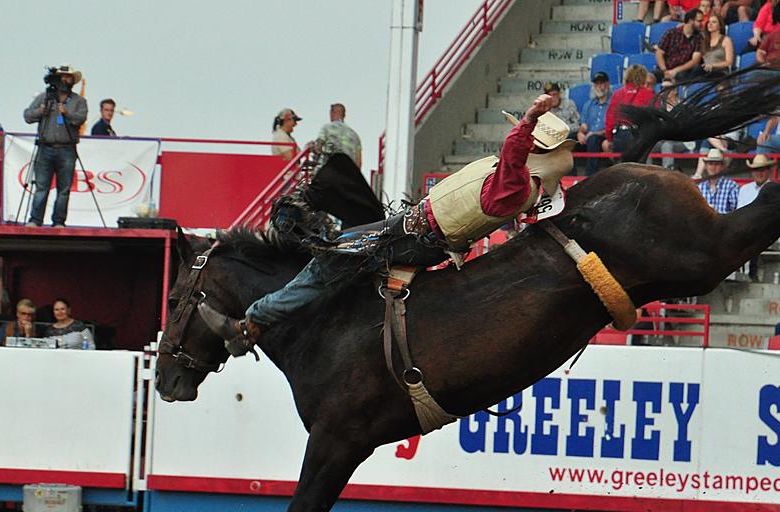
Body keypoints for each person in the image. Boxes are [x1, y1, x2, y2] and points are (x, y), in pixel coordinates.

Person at [202, 96, 576, 356]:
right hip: (414, 227)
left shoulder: (515, 185)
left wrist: (527, 122)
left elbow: (511, 156)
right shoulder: (523, 185)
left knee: (328, 263)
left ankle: (250, 325)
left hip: (418, 235)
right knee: (336, 252)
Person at [22, 65, 88, 228]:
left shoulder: (79, 101)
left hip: (67, 149)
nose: (65, 80)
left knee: (64, 189)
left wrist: (66, 113)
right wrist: (41, 111)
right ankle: (35, 220)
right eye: (63, 77)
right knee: (41, 187)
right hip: (45, 147)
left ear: (73, 81)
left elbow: (80, 119)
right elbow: (27, 115)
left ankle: (59, 221)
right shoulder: (45, 97)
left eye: (69, 77)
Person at [603, 65, 656, 158]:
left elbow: (610, 119)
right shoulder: (648, 94)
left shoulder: (618, 94)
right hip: (639, 137)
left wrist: (610, 139)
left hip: (620, 137)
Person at [654, 9, 704, 85]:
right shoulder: (671, 33)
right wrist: (664, 70)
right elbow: (659, 52)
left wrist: (675, 70)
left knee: (681, 77)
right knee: (650, 76)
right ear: (691, 21)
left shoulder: (699, 38)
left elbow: (695, 61)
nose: (701, 24)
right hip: (665, 69)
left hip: (682, 71)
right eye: (699, 21)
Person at [577, 72, 612, 175]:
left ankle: (590, 174)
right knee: (570, 138)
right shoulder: (589, 104)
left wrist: (595, 133)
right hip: (589, 135)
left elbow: (613, 127)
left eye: (602, 83)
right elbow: (583, 125)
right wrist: (580, 133)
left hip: (604, 135)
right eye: (597, 84)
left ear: (607, 84)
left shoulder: (612, 103)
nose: (599, 86)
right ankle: (570, 175)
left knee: (593, 139)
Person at [315, 103, 362, 169]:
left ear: (332, 113)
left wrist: (312, 147)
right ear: (344, 115)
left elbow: (318, 147)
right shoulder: (355, 135)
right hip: (349, 173)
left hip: (331, 169)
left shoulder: (327, 128)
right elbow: (359, 162)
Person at [696, 149, 738, 214]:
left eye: (717, 164)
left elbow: (735, 211)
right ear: (706, 166)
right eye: (710, 164)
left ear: (722, 166)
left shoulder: (731, 186)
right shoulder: (700, 187)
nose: (713, 167)